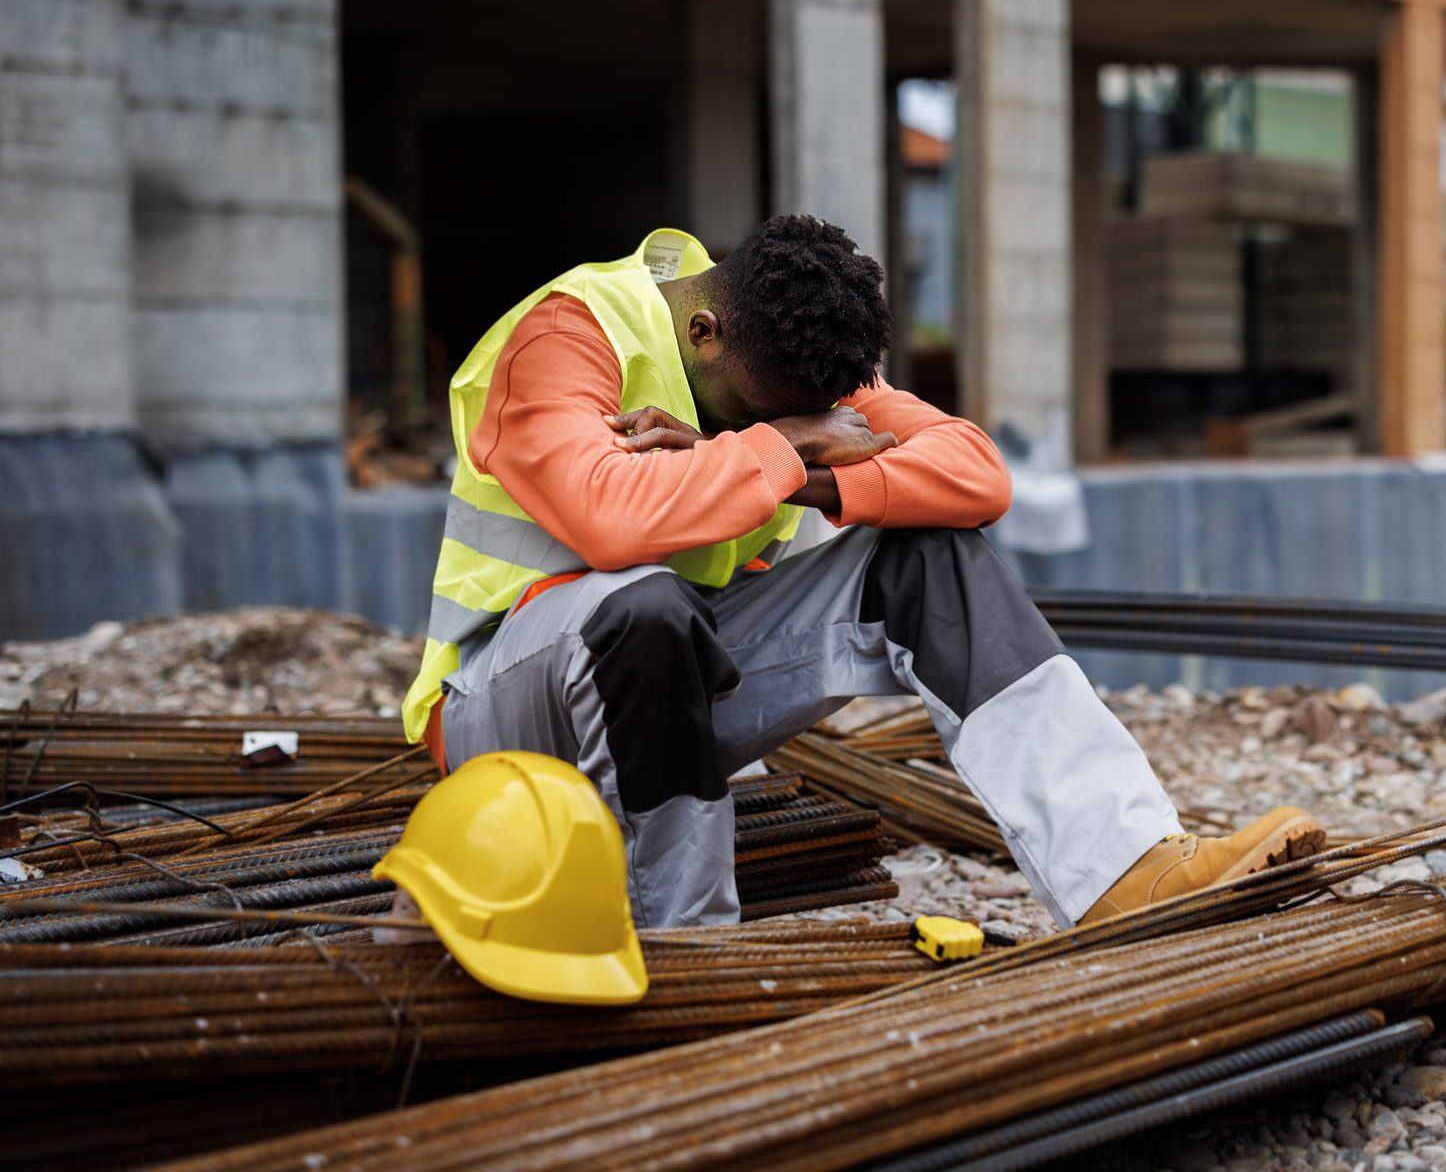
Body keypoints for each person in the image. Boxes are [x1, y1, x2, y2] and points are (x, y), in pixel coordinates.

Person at [402, 214, 1325, 929]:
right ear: (708, 330)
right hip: (506, 713)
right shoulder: (566, 338)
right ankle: (692, 949)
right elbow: (609, 520)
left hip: (683, 688)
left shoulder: (800, 354)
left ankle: (1128, 869)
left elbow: (975, 472)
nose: (780, 426)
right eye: (757, 413)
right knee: (639, 606)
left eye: (814, 412)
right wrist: (786, 440)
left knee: (933, 552)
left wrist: (804, 473)